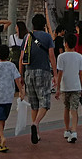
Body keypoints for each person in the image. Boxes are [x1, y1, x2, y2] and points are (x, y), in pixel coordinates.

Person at [19, 13, 56, 144]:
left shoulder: (27, 37)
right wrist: (55, 75)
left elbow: (21, 57)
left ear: (33, 25)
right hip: (43, 71)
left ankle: (36, 133)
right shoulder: (47, 37)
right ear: (44, 25)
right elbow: (51, 56)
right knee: (45, 102)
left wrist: (21, 75)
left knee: (34, 104)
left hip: (29, 72)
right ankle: (35, 124)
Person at [0, 43, 24, 152]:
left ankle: (2, 138)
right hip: (8, 96)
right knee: (3, 118)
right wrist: (21, 91)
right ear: (8, 55)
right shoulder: (12, 66)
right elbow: (17, 79)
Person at [56, 32, 82, 143]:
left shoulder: (61, 57)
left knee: (66, 108)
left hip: (65, 87)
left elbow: (60, 73)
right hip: (76, 86)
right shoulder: (79, 56)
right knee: (74, 109)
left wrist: (58, 88)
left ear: (66, 44)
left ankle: (67, 129)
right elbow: (81, 73)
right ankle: (74, 131)